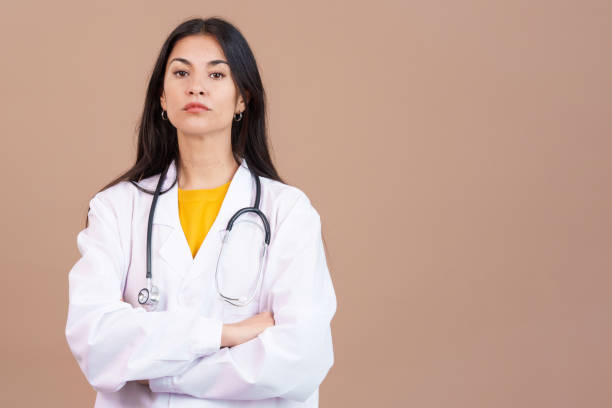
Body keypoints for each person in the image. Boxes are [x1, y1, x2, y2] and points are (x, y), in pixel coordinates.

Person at [64, 17, 337, 407]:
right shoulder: (116, 209)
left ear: (243, 98)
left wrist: (159, 371)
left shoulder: (288, 212)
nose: (196, 86)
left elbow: (300, 358)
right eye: (180, 72)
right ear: (161, 96)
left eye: (216, 74)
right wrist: (223, 334)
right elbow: (95, 342)